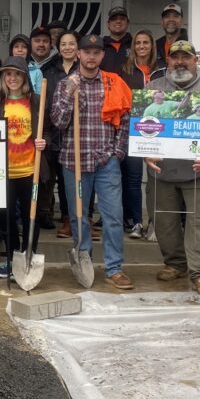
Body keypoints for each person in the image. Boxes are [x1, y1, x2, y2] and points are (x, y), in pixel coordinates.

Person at [143, 41, 200, 295]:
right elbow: (142, 127)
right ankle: (175, 264)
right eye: (175, 57)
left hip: (199, 169)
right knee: (163, 220)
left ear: (196, 60)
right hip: (161, 170)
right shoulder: (154, 89)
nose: (180, 62)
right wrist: (145, 155)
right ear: (167, 61)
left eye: (186, 57)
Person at [50, 34, 133, 289]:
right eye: (87, 51)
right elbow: (58, 122)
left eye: (96, 52)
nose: (91, 56)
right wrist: (69, 94)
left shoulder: (113, 83)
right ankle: (84, 259)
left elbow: (126, 118)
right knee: (78, 216)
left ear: (102, 55)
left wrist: (117, 153)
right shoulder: (66, 84)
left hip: (105, 161)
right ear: (78, 54)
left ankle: (114, 267)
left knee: (113, 216)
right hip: (74, 161)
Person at [0, 57, 47, 278]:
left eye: (17, 74)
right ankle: (12, 260)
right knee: (7, 217)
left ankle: (28, 257)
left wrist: (44, 141)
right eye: (8, 74)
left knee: (32, 216)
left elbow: (48, 130)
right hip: (4, 171)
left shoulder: (36, 101)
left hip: (31, 170)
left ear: (25, 78)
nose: (12, 78)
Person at [119, 30, 157, 240]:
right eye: (138, 42)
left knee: (157, 178)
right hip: (133, 130)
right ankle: (136, 221)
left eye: (146, 42)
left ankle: (155, 222)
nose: (142, 46)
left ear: (152, 45)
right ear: (133, 46)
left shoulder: (161, 69)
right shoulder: (126, 70)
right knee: (133, 178)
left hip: (160, 131)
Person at [42, 30, 79, 238]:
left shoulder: (82, 69)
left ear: (77, 47)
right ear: (58, 47)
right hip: (52, 130)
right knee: (49, 176)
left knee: (69, 179)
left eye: (71, 43)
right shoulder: (49, 70)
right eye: (63, 44)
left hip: (75, 132)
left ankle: (69, 218)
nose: (67, 47)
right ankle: (44, 213)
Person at [101, 5, 132, 74]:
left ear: (128, 23)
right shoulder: (99, 46)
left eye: (122, 18)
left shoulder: (136, 45)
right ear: (108, 24)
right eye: (114, 19)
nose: (118, 21)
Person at [155, 3, 189, 68]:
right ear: (162, 21)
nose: (171, 19)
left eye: (175, 16)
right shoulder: (155, 46)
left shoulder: (192, 43)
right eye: (167, 16)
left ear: (182, 21)